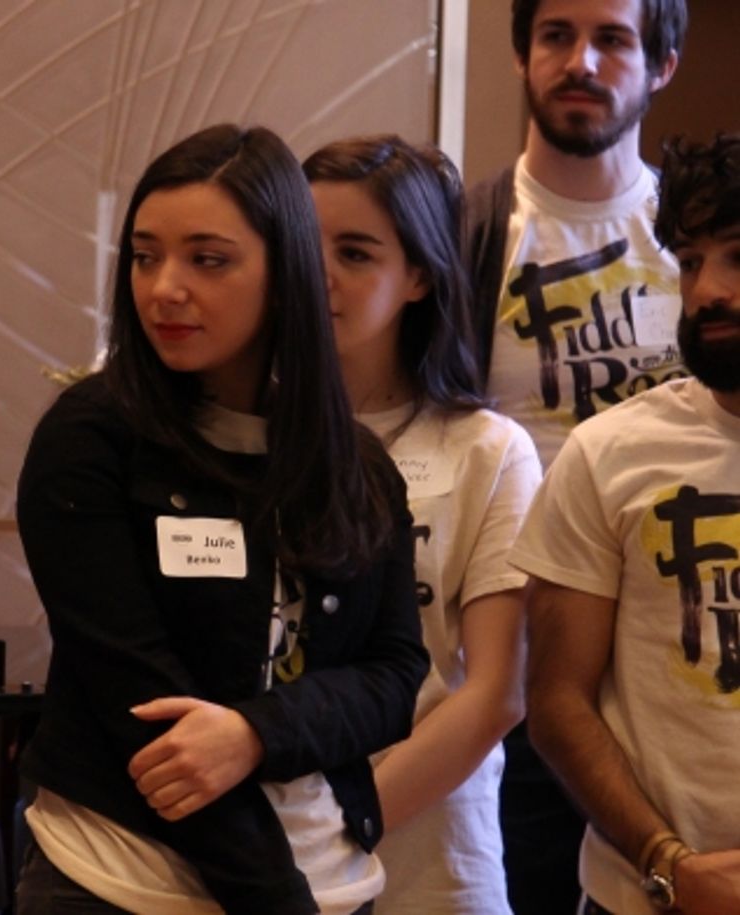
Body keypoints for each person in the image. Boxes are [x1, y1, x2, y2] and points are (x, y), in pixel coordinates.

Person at [13, 124, 429, 915]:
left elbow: (393, 677)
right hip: (120, 879)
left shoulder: (356, 463)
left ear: (285, 272)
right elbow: (146, 714)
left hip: (331, 875)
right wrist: (278, 901)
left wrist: (257, 731)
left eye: (208, 260)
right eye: (146, 257)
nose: (165, 288)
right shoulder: (91, 440)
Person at [462, 2, 688, 908]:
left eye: (613, 39)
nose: (581, 62)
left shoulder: (701, 246)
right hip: (512, 671)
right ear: (523, 54)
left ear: (662, 64)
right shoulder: (468, 236)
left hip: (674, 666)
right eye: (556, 35)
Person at [304, 136, 542, 914]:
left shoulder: (489, 450)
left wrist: (341, 825)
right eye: (303, 244)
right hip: (258, 851)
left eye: (355, 253)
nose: (320, 274)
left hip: (434, 864)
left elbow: (497, 691)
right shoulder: (248, 434)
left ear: (419, 275)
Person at [511, 132, 740, 915]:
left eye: (737, 257)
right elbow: (556, 701)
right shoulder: (608, 453)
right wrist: (670, 863)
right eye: (691, 260)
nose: (708, 290)